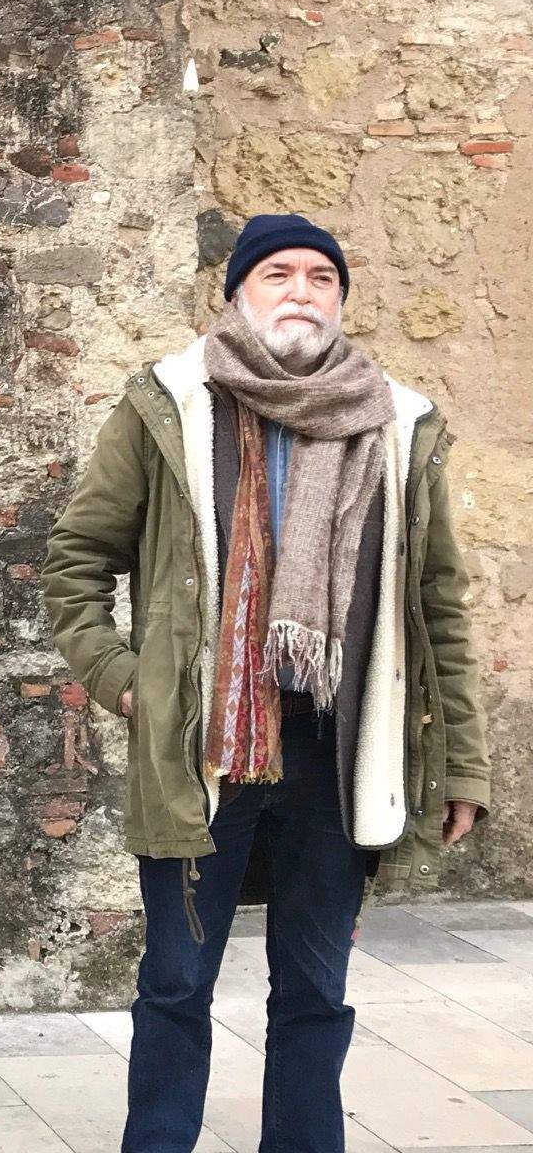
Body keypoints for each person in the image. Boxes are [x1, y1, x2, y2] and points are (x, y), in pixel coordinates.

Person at [44, 213, 492, 1153]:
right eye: (277, 274)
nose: (300, 291)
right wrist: (132, 686)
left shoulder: (398, 423)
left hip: (340, 748)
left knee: (316, 993)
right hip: (207, 748)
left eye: (321, 277)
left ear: (340, 301)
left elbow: (437, 605)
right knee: (175, 984)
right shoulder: (171, 402)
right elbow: (76, 563)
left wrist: (466, 765)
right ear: (238, 294)